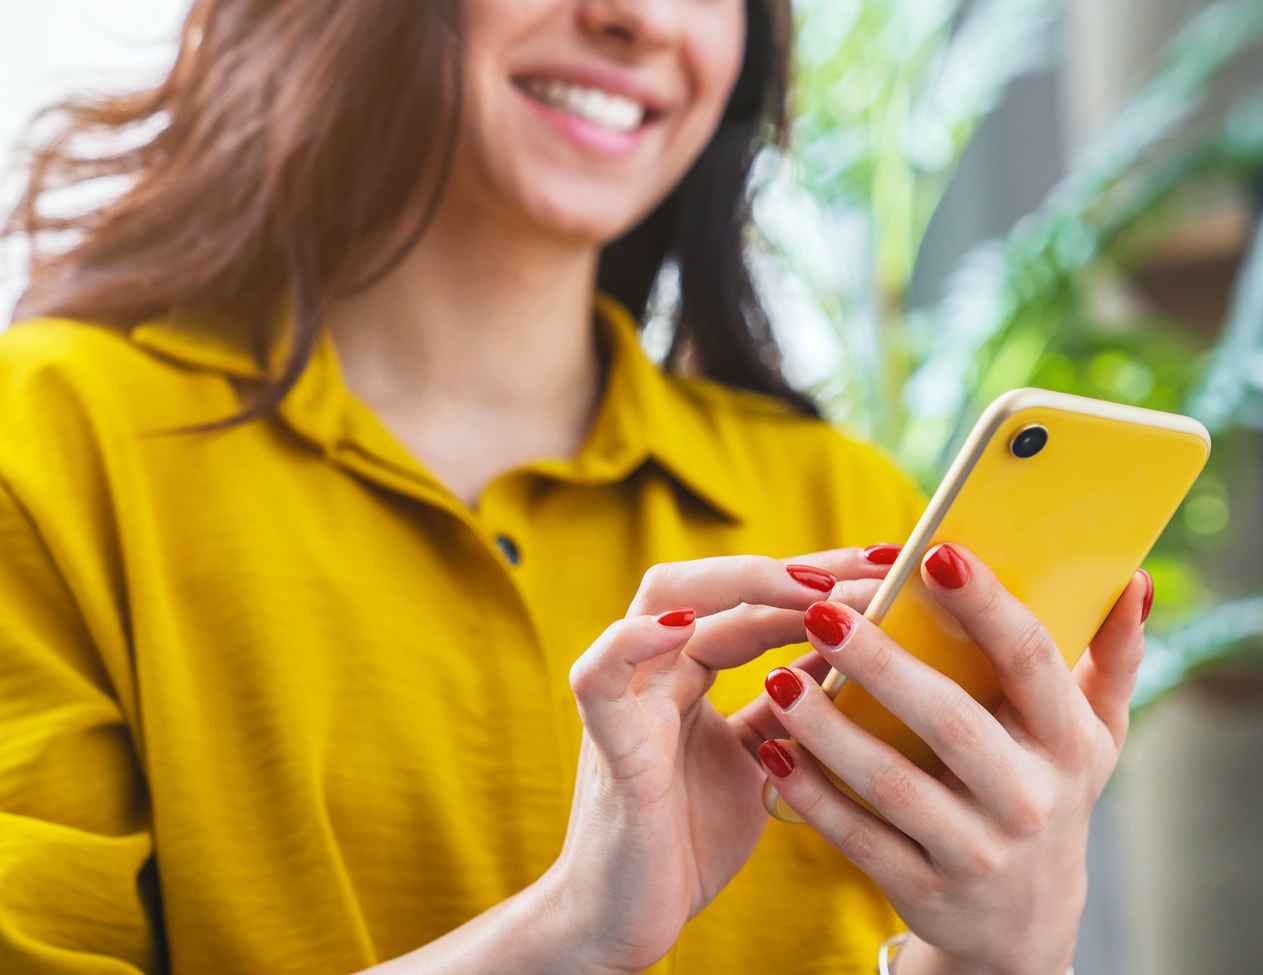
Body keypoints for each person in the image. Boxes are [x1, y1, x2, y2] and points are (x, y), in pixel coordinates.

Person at [0, 0, 1150, 972]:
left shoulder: (846, 506)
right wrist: (568, 935)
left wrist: (1001, 950)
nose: (638, 18)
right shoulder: (52, 441)